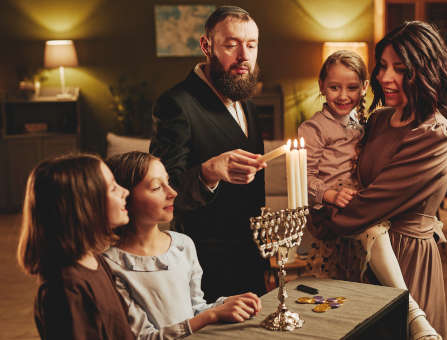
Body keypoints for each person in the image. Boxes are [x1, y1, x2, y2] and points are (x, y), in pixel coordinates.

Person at [310, 21, 447, 340]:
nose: (385, 77)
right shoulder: (377, 119)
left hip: (407, 257)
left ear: (426, 71)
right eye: (382, 66)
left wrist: (321, 210)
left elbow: (369, 205)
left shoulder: (435, 135)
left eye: (400, 68)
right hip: (361, 250)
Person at [150, 6, 267, 301]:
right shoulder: (176, 104)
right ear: (206, 46)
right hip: (203, 263)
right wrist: (209, 172)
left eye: (251, 45)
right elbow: (164, 192)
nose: (244, 56)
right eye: (231, 44)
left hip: (250, 256)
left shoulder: (248, 104)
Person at [103, 151, 262, 340]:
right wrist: (212, 315)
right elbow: (143, 337)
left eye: (168, 182)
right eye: (156, 187)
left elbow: (195, 310)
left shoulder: (182, 245)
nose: (173, 193)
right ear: (125, 196)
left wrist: (225, 304)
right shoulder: (110, 264)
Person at [16, 154, 135, 340]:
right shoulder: (66, 288)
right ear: (85, 205)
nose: (125, 191)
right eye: (113, 188)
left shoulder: (95, 260)